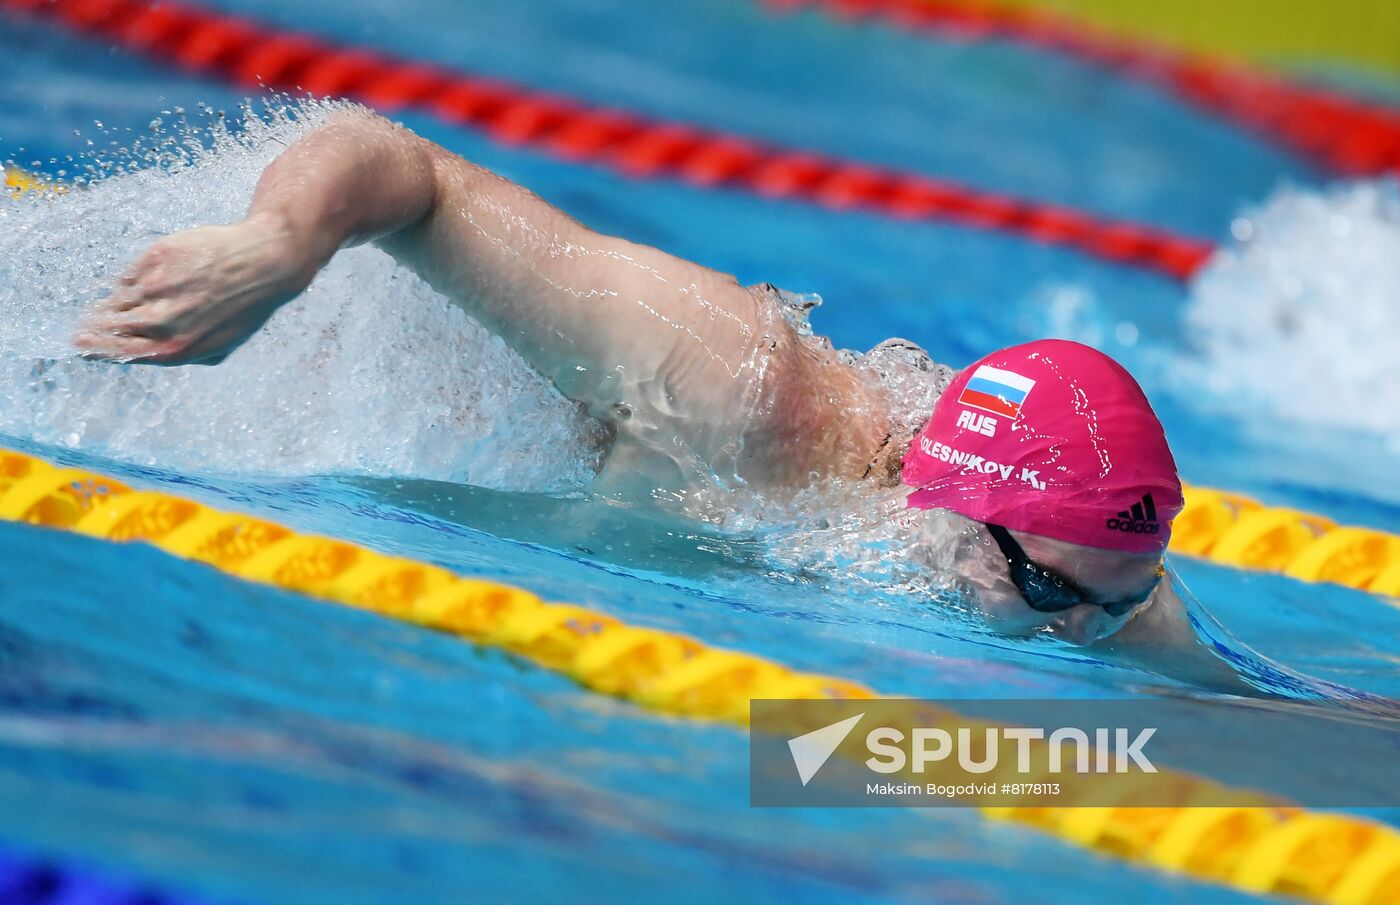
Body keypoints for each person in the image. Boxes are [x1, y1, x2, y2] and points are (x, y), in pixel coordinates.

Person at [70, 107, 1236, 684]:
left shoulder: (1072, 561)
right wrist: (274, 246)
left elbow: (1214, 692)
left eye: (1111, 605)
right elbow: (395, 162)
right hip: (159, 379)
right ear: (955, 509)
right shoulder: (738, 389)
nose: (1080, 634)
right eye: (1052, 595)